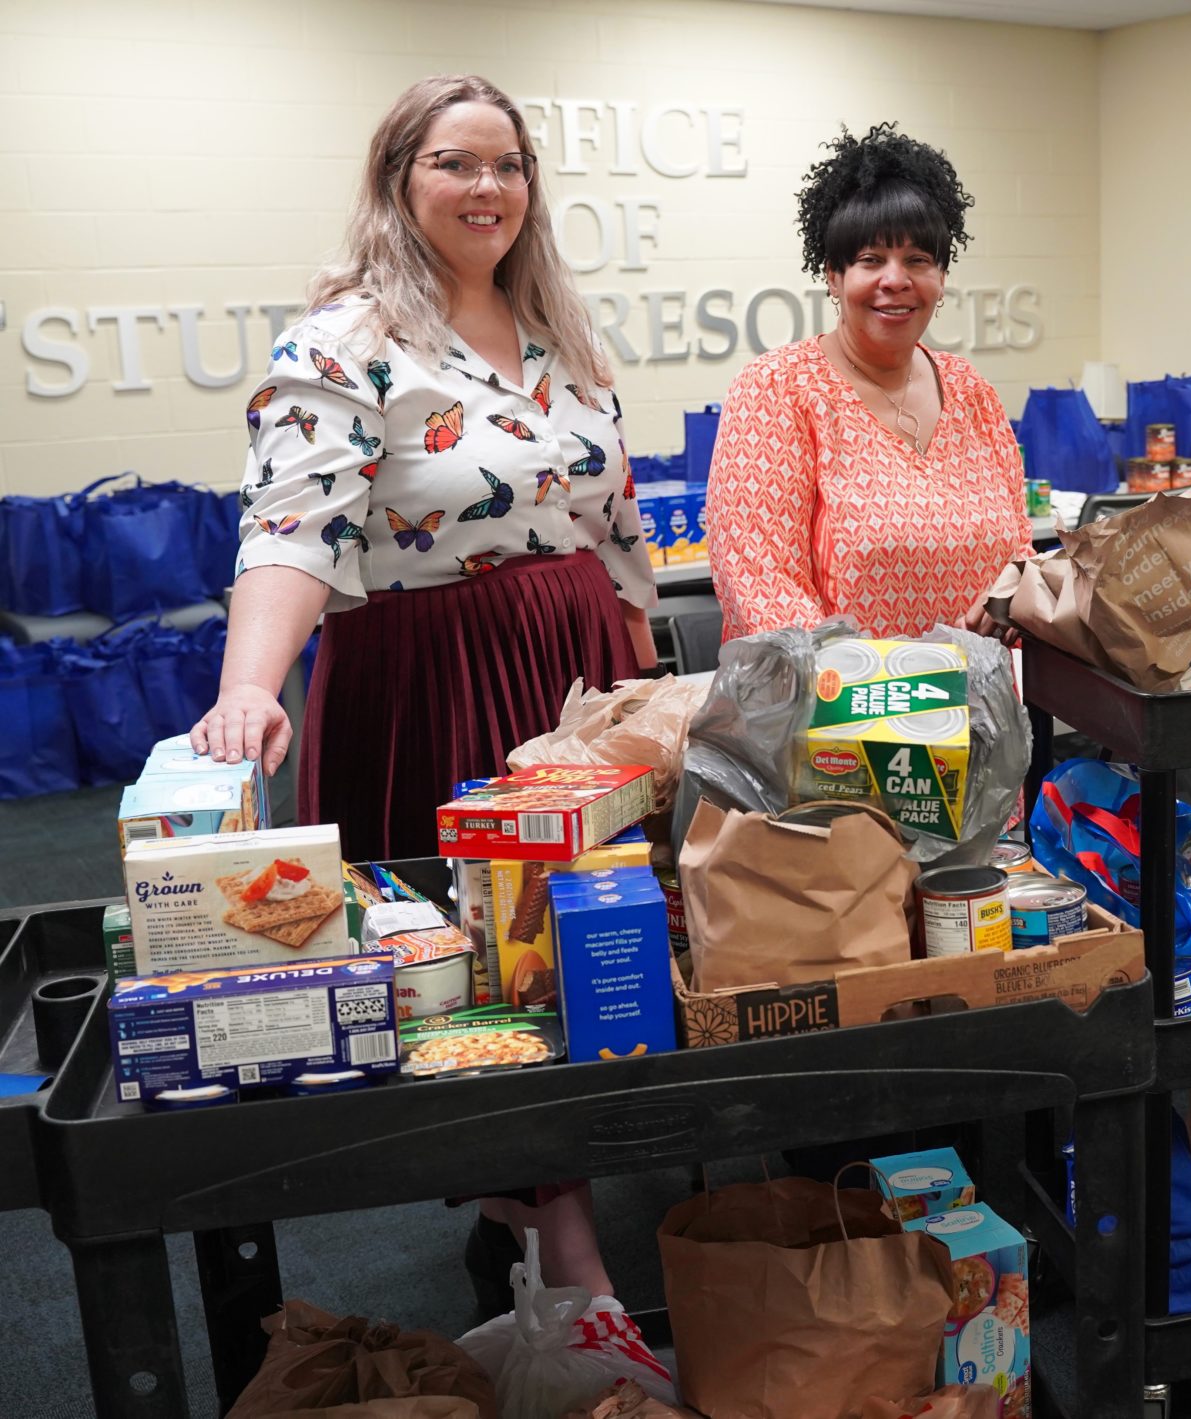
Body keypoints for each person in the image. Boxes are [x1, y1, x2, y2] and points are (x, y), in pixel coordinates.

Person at [190, 74, 655, 1316]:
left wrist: (650, 696)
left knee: (594, 943)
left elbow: (611, 530)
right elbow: (291, 529)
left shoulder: (557, 330)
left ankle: (547, 1205)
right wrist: (250, 688)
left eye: (506, 165)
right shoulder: (343, 342)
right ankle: (560, 1244)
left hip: (576, 679)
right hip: (437, 677)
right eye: (455, 163)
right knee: (495, 958)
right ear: (400, 178)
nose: (486, 188)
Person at [708, 122, 1032, 641]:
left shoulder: (970, 390)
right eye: (870, 260)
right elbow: (758, 582)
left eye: (918, 260)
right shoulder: (778, 389)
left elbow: (1018, 549)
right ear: (834, 277)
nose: (895, 280)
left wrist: (1016, 599)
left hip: (981, 704)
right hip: (838, 710)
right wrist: (872, 691)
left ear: (942, 279)